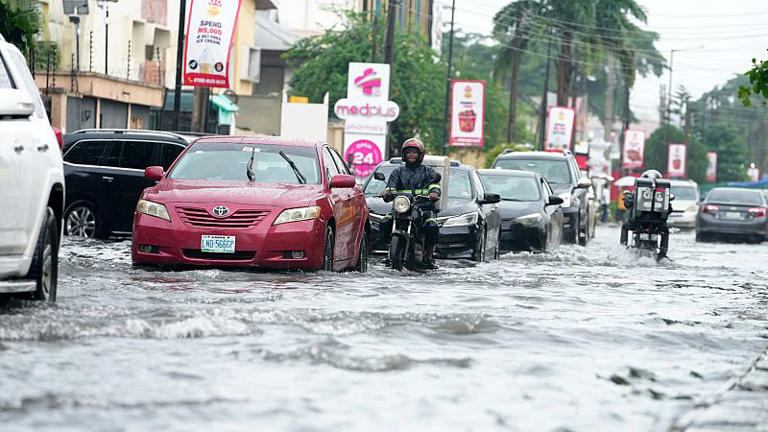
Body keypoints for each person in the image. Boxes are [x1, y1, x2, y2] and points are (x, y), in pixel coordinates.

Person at [379, 138, 442, 269]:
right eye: (409, 152)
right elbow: (390, 188)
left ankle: (429, 256)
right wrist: (386, 193)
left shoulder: (429, 172)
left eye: (414, 152)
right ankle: (390, 251)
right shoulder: (398, 172)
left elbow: (435, 187)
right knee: (385, 222)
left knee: (432, 226)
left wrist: (434, 193)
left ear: (420, 155)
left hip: (424, 208)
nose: (411, 155)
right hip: (402, 208)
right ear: (404, 154)